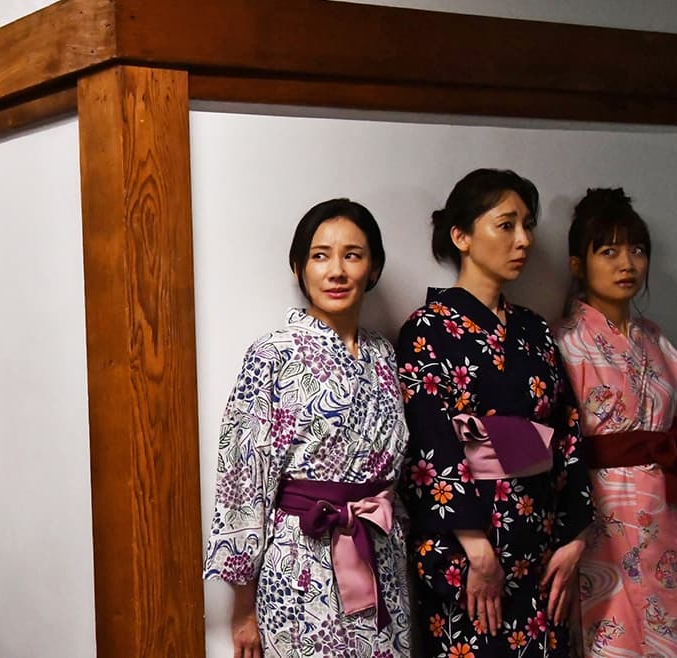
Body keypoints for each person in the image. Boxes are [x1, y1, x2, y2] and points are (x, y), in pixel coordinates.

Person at [397, 169, 593, 657]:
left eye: (527, 225)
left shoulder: (535, 331)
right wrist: (476, 547)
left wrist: (574, 537)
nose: (523, 240)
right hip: (469, 549)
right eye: (506, 225)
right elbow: (430, 443)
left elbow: (567, 431)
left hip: (541, 544)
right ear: (461, 236)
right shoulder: (428, 329)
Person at [204, 198, 412, 657]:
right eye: (320, 256)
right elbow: (243, 481)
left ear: (373, 268)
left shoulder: (384, 355)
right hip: (300, 564)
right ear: (299, 268)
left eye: (352, 255)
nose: (336, 271)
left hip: (378, 558)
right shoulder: (272, 354)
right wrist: (243, 609)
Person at [553, 188, 677, 657]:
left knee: (675, 632)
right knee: (612, 635)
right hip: (601, 513)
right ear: (578, 264)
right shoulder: (563, 342)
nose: (627, 263)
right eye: (608, 251)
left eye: (637, 250)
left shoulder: (658, 341)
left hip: (666, 510)